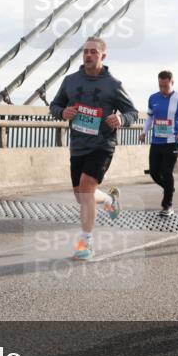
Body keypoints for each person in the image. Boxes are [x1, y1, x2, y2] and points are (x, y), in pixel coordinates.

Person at [51, 37, 138, 261]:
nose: (88, 55)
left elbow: (132, 112)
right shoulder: (70, 81)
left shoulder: (113, 85)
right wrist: (63, 113)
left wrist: (121, 118)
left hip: (102, 144)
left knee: (86, 189)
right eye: (85, 52)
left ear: (103, 56)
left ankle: (85, 244)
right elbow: (55, 105)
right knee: (82, 196)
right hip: (78, 144)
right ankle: (110, 201)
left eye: (93, 52)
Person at [139, 70, 178, 216]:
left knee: (166, 171)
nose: (162, 89)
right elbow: (150, 118)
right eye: (160, 86)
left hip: (173, 142)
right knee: (153, 172)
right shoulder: (153, 98)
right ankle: (169, 188)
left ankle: (167, 205)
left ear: (172, 83)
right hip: (156, 141)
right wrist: (144, 132)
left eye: (165, 86)